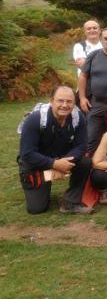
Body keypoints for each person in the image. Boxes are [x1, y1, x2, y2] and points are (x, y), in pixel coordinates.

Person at [18, 86, 92, 214]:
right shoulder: (35, 119)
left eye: (69, 101)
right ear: (51, 101)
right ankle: (47, 177)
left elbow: (82, 145)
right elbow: (27, 154)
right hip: (35, 164)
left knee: (85, 163)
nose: (65, 105)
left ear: (74, 103)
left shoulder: (78, 117)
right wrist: (55, 165)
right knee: (37, 209)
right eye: (60, 101)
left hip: (61, 157)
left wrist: (65, 162)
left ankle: (71, 203)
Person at [78, 26, 107, 154]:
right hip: (96, 103)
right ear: (102, 39)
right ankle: (88, 169)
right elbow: (83, 76)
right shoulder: (93, 55)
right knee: (91, 137)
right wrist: (82, 97)